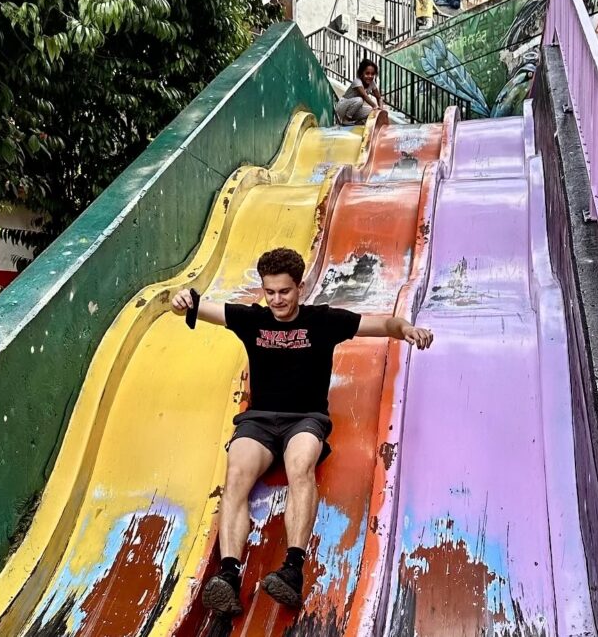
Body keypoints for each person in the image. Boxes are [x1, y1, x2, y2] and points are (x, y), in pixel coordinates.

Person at [171, 247, 433, 614]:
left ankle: (292, 570)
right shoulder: (250, 319)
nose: (277, 300)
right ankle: (229, 574)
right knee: (236, 475)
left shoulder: (322, 322)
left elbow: (383, 325)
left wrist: (407, 329)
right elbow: (190, 304)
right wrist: (178, 300)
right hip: (258, 419)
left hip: (305, 419)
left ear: (301, 287)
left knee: (300, 465)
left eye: (285, 291)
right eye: (270, 292)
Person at [335, 59, 384, 126]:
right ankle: (345, 120)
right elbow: (365, 96)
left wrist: (380, 109)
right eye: (367, 73)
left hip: (354, 109)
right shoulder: (357, 82)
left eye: (372, 74)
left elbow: (379, 98)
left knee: (372, 111)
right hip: (343, 107)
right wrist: (375, 106)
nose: (370, 76)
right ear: (361, 73)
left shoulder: (372, 83)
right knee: (359, 100)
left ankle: (358, 122)